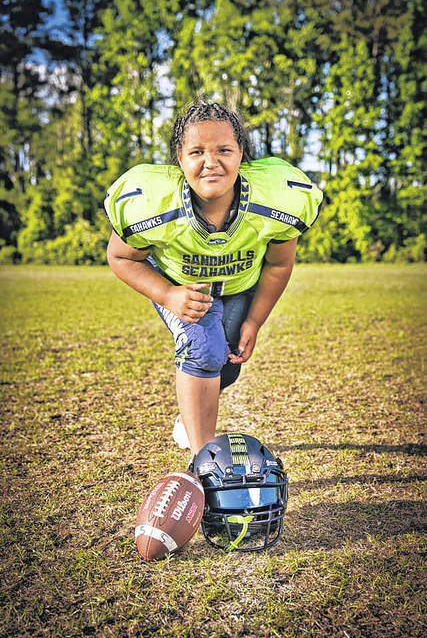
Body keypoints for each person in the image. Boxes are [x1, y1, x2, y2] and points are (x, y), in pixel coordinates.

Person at [104, 100, 323, 459]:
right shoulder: (154, 202)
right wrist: (168, 294)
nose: (211, 162)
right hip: (182, 286)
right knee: (204, 350)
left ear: (241, 155)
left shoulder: (275, 199)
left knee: (226, 363)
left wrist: (254, 320)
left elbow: (279, 265)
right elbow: (121, 256)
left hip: (241, 286)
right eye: (196, 151)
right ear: (179, 157)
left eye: (224, 149)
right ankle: (202, 460)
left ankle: (188, 419)